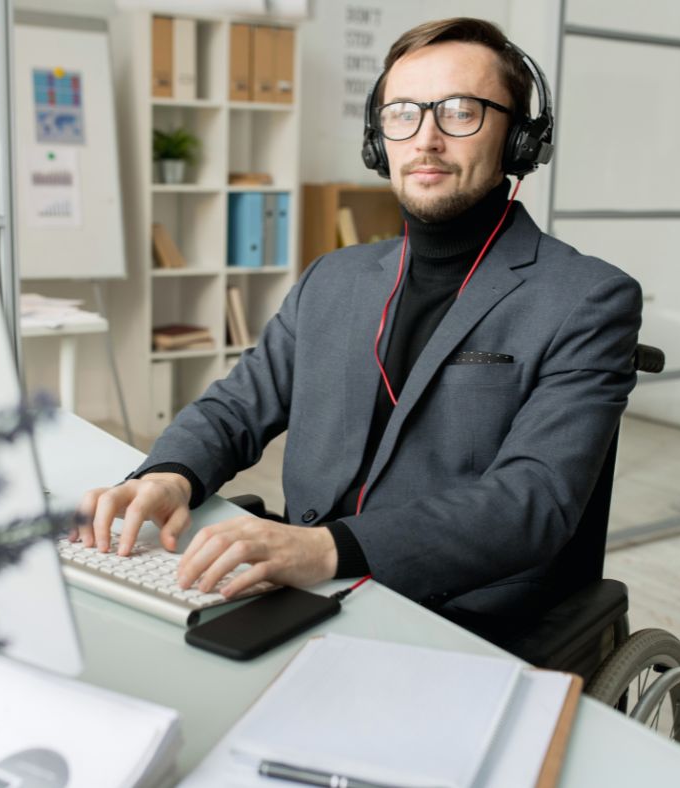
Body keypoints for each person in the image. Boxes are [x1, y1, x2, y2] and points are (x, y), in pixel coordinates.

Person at [74, 17, 642, 639]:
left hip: (459, 615)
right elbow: (237, 406)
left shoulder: (586, 297)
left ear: (518, 140)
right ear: (379, 140)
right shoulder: (333, 279)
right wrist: (170, 473)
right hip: (303, 590)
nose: (426, 139)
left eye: (459, 111)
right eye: (402, 113)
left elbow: (532, 502)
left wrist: (324, 549)